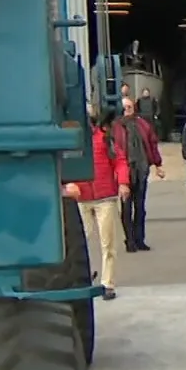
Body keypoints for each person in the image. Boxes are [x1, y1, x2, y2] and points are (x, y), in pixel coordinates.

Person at [65, 108, 130, 301]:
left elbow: (119, 160)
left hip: (104, 197)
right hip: (81, 197)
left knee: (107, 243)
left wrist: (123, 182)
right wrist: (68, 184)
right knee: (77, 243)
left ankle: (108, 283)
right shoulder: (71, 142)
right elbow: (63, 165)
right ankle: (81, 276)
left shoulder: (103, 139)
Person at [116, 96, 165, 253]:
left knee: (140, 207)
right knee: (126, 208)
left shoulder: (143, 124)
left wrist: (158, 164)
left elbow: (152, 143)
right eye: (124, 107)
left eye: (129, 107)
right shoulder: (115, 127)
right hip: (125, 171)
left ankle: (140, 239)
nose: (127, 110)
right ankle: (129, 240)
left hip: (142, 169)